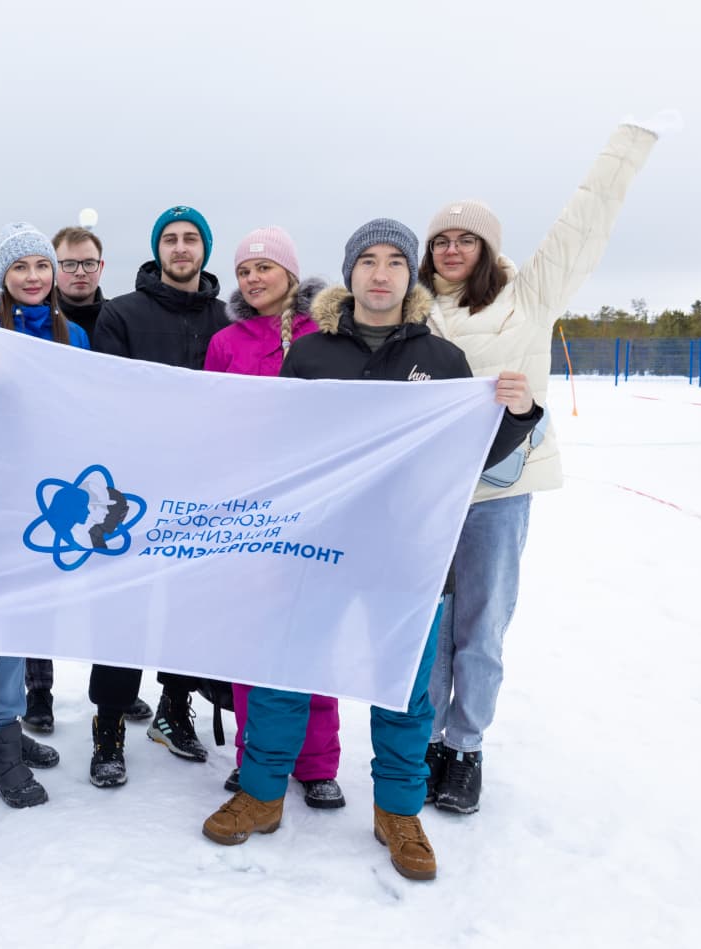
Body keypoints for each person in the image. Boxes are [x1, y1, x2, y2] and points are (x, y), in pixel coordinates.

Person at [200, 219, 541, 882]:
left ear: (409, 275)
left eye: (394, 262)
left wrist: (519, 415)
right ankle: (262, 794)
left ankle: (399, 812)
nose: (380, 274)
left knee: (404, 689)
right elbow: (281, 448)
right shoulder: (311, 354)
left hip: (409, 554)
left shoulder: (441, 360)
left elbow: (468, 455)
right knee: (283, 674)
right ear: (349, 272)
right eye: (368, 261)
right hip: (316, 548)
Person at [421, 122, 659, 815]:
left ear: (487, 248)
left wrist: (628, 144)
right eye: (441, 239)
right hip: (428, 495)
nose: (452, 249)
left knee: (482, 625)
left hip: (500, 489)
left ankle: (465, 748)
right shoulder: (413, 308)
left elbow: (584, 222)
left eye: (466, 239)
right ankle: (425, 738)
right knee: (429, 626)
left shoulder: (527, 295)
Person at [87, 205, 230, 787]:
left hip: (204, 487)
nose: (180, 247)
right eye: (170, 239)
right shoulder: (121, 314)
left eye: (191, 238)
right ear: (157, 249)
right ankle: (108, 725)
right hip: (135, 487)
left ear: (204, 250)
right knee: (124, 606)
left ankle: (174, 706)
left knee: (188, 603)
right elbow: (109, 395)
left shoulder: (227, 318)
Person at [203, 226, 343, 809]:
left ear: (290, 273)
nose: (253, 278)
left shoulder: (328, 333)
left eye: (264, 267)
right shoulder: (226, 342)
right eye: (243, 271)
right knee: (252, 638)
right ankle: (256, 758)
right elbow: (211, 420)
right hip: (249, 511)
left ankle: (316, 763)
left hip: (316, 508)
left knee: (310, 636)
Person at [0, 223, 87, 807]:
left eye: (42, 265)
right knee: (4, 621)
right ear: (4, 276)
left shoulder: (74, 334)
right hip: (0, 497)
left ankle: (6, 720)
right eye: (21, 267)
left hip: (53, 493)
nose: (34, 276)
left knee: (31, 617)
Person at [24, 226, 157, 734]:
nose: (78, 273)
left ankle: (117, 689)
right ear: (53, 266)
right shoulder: (31, 315)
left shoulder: (120, 317)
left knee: (113, 584)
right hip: (47, 467)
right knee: (41, 581)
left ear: (101, 267)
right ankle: (38, 692)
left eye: (88, 263)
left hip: (106, 469)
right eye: (68, 263)